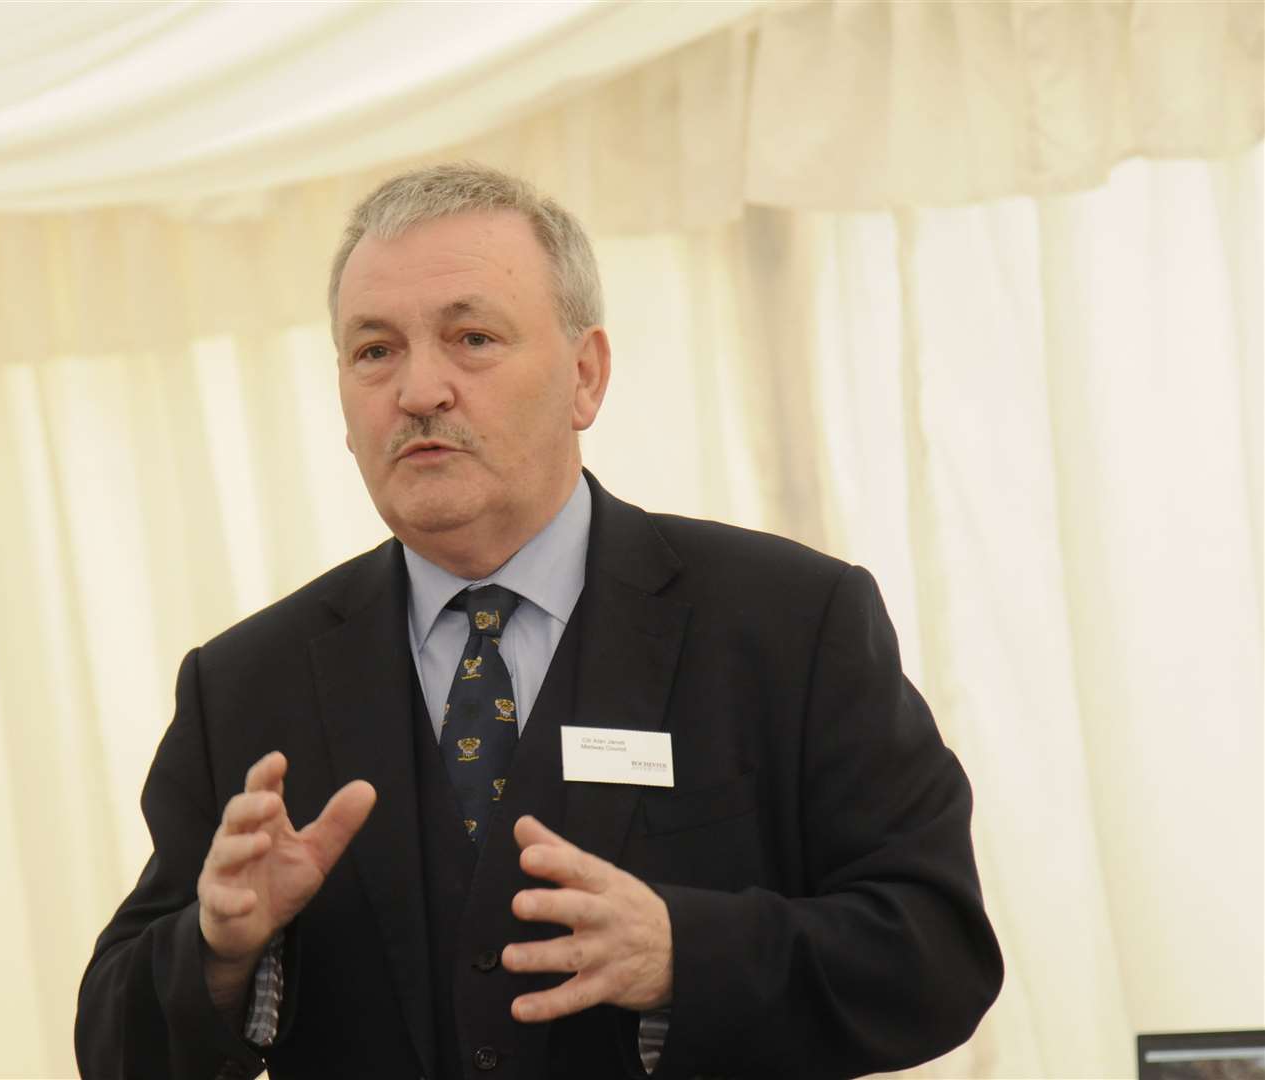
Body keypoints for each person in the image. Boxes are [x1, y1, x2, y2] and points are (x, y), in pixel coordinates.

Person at [74, 163, 1002, 1079]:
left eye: (472, 337)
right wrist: (220, 952)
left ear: (585, 377)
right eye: (375, 350)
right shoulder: (244, 684)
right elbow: (111, 1046)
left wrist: (683, 952)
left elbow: (936, 951)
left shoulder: (789, 622)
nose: (419, 390)